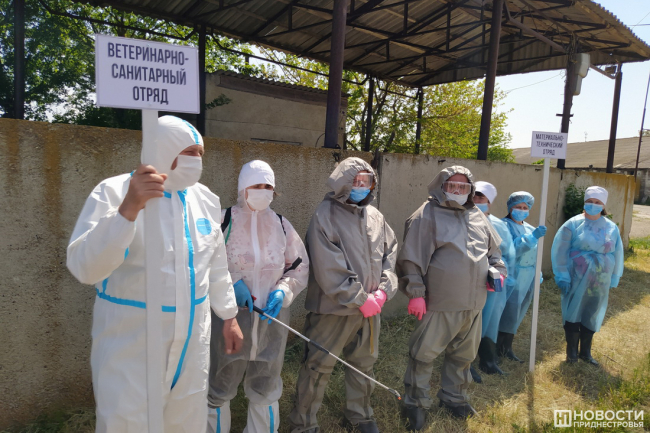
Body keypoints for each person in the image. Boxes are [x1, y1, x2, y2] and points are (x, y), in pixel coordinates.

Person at [67, 115, 244, 433]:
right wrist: (128, 210)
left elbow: (215, 264)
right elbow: (85, 267)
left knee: (187, 424)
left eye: (199, 153)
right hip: (132, 349)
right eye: (188, 152)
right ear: (162, 149)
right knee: (127, 423)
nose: (196, 160)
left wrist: (229, 316)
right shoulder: (115, 191)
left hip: (192, 348)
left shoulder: (205, 199)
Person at [288, 157, 398, 433]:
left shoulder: (375, 216)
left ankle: (360, 415)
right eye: (355, 181)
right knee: (318, 366)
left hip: (371, 309)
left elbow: (389, 253)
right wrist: (361, 299)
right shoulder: (325, 214)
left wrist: (383, 291)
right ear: (342, 181)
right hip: (333, 309)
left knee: (364, 364)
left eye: (366, 181)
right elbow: (328, 266)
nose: (361, 186)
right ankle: (304, 423)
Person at [397, 166, 506, 429]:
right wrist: (416, 293)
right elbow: (411, 259)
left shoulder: (477, 215)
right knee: (423, 355)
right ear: (441, 186)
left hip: (474, 302)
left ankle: (454, 398)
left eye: (463, 187)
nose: (457, 191)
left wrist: (498, 272)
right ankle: (415, 404)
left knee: (463, 355)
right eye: (452, 185)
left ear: (471, 189)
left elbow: (494, 253)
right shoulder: (426, 214)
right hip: (439, 301)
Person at [207, 160, 309, 433]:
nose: (262, 191)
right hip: (229, 319)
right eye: (256, 185)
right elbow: (203, 260)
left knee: (266, 384)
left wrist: (284, 290)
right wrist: (232, 282)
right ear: (243, 187)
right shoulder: (222, 220)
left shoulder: (281, 225)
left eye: (268, 186)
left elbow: (298, 266)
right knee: (219, 382)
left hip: (270, 321)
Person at [551, 186, 624, 366]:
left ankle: (585, 352)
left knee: (592, 311)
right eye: (590, 201)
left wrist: (615, 276)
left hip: (600, 278)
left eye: (597, 202)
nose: (593, 205)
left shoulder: (611, 227)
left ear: (603, 205)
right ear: (584, 203)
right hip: (576, 276)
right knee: (573, 311)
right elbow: (560, 250)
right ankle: (571, 353)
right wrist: (562, 274)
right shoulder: (573, 224)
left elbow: (617, 252)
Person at [470, 181, 516, 382]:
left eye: (481, 197)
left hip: (495, 283)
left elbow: (510, 254)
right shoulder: (462, 220)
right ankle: (466, 364)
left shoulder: (499, 225)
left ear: (489, 201)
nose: (476, 200)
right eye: (474, 195)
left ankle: (488, 360)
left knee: (491, 320)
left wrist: (508, 277)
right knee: (471, 322)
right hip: (471, 282)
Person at [497, 191, 546, 363]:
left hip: (527, 276)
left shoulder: (531, 229)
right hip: (512, 275)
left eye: (525, 208)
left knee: (518, 312)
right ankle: (495, 348)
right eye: (518, 207)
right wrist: (531, 239)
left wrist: (538, 274)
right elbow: (511, 251)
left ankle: (507, 347)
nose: (522, 210)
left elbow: (536, 254)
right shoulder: (503, 226)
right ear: (510, 207)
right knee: (506, 312)